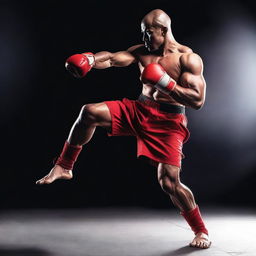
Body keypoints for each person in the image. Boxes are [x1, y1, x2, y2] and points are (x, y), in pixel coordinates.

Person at [36, 9, 211, 249]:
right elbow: (112, 58)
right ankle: (64, 166)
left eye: (149, 33)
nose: (146, 39)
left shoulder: (188, 59)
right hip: (139, 110)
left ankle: (200, 230)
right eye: (143, 34)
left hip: (168, 123)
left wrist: (165, 82)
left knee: (169, 183)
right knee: (90, 112)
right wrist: (90, 60)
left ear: (163, 30)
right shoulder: (141, 52)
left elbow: (197, 100)